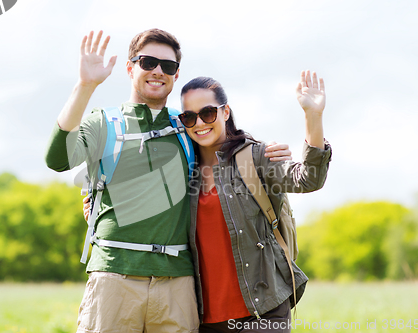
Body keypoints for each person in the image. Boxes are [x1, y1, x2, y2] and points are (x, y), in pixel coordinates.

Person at [45, 29, 292, 333]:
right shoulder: (104, 121)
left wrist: (266, 149)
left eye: (168, 66)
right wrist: (85, 86)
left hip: (177, 282)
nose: (158, 71)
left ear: (176, 74)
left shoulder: (187, 124)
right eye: (148, 62)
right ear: (130, 67)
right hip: (114, 276)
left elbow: (227, 147)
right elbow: (58, 159)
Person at [179, 73, 331, 332]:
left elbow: (308, 179)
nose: (199, 123)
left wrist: (312, 116)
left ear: (225, 112)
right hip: (204, 318)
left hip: (263, 312)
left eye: (207, 113)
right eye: (189, 117)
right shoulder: (183, 170)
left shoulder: (254, 157)